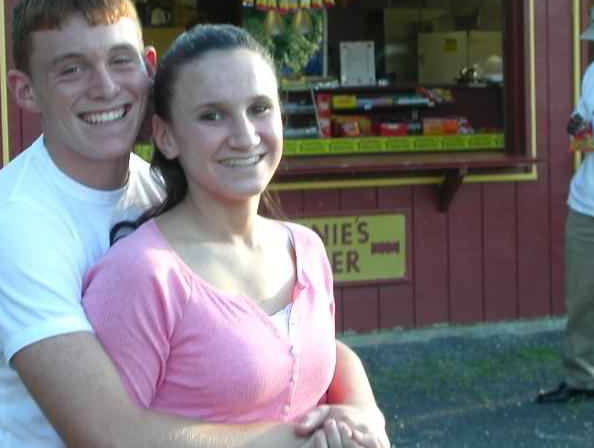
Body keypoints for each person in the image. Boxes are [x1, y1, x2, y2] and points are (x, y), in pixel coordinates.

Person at [0, 0, 387, 447]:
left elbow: (282, 339)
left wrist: (362, 412)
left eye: (120, 61)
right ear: (25, 91)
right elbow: (109, 435)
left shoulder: (158, 186)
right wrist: (307, 439)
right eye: (72, 70)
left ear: (148, 67)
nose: (105, 87)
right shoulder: (15, 226)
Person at [83, 24, 388, 446]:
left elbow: (312, 351)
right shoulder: (139, 274)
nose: (245, 137)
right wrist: (293, 441)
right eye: (212, 116)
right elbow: (111, 437)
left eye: (260, 108)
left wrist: (363, 411)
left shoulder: (304, 249)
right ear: (166, 137)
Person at [537, 0, 594, 404]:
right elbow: (584, 119)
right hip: (590, 202)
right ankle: (585, 377)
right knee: (585, 298)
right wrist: (576, 125)